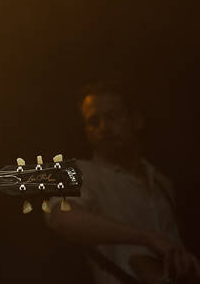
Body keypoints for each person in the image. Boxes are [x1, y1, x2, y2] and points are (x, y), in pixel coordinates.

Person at [47, 81, 200, 284]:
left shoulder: (163, 182)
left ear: (136, 120)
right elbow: (61, 218)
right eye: (93, 122)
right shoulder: (80, 171)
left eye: (111, 117)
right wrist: (146, 238)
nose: (103, 127)